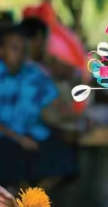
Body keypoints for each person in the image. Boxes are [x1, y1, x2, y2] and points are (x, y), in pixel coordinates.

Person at [0, 24, 78, 193]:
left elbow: (55, 101)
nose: (20, 54)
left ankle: (29, 204)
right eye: (14, 48)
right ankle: (20, 202)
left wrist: (71, 113)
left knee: (64, 158)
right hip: (6, 136)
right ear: (1, 50)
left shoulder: (34, 73)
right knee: (10, 159)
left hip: (34, 133)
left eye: (22, 49)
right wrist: (19, 139)